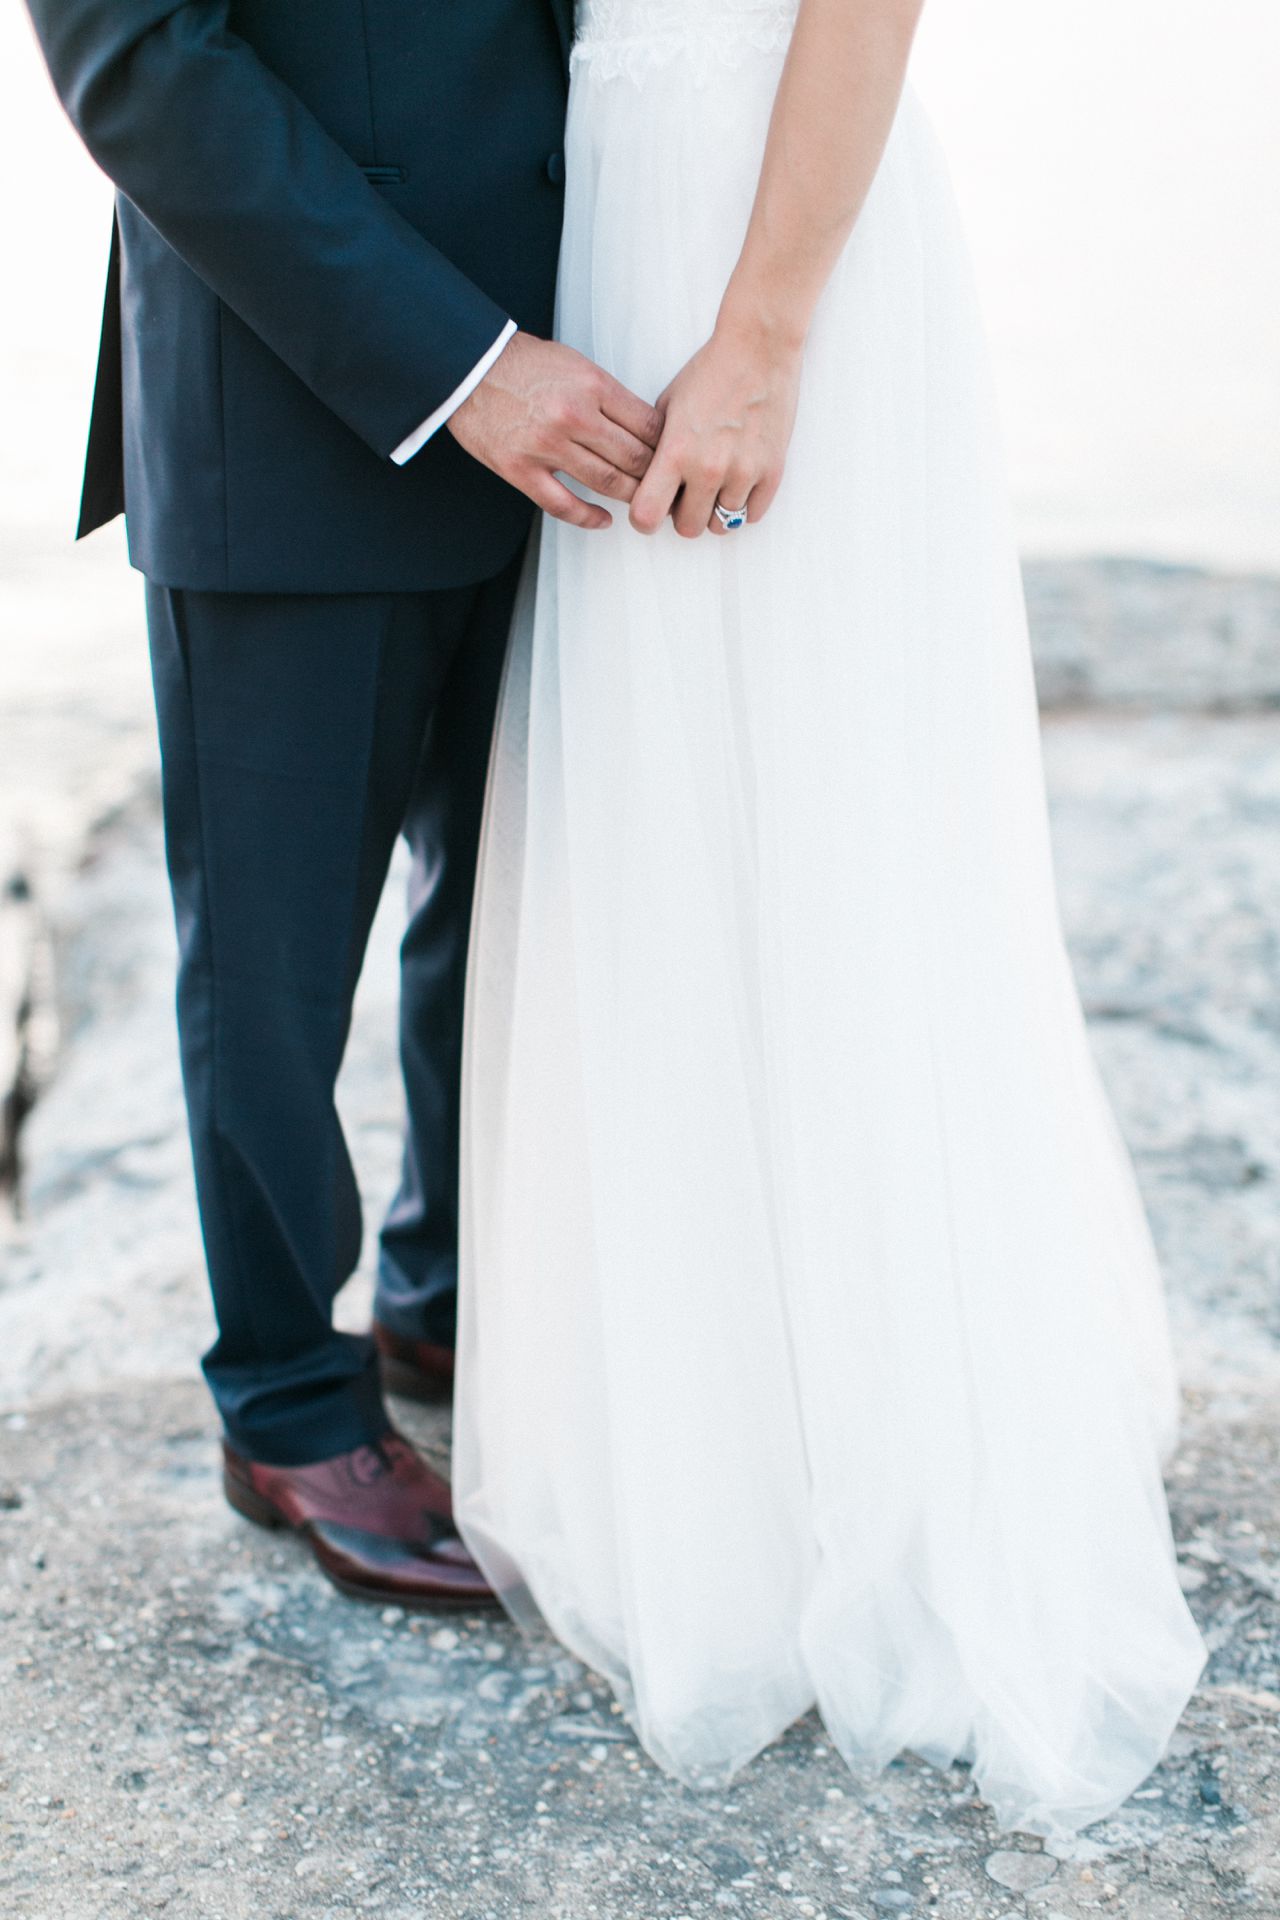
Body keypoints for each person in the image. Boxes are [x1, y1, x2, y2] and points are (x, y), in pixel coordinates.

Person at [454, 0, 1207, 1834]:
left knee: (840, 819)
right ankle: (714, 1452)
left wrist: (766, 335)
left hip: (768, 241)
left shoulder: (771, 295)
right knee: (670, 839)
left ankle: (887, 1452)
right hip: (607, 235)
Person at [25, 0, 662, 1608]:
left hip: (591, 376)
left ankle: (442, 1290)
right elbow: (139, 63)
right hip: (299, 399)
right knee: (273, 954)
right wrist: (464, 369)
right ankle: (290, 1405)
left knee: (509, 889)